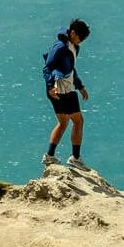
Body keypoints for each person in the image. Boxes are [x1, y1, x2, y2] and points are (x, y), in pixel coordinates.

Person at [43, 18, 91, 168]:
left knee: (63, 122)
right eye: (80, 37)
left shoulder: (74, 47)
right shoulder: (60, 47)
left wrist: (80, 85)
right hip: (62, 89)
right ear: (72, 32)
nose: (81, 41)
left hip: (63, 88)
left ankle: (49, 156)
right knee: (78, 121)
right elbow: (47, 68)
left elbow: (70, 69)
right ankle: (75, 158)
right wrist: (51, 86)